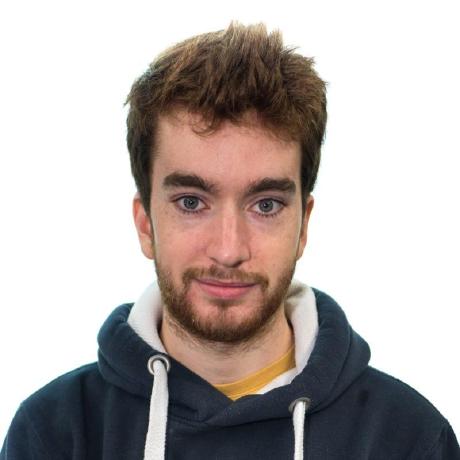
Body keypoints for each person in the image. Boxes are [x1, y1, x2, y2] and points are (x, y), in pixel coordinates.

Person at [1, 22, 458, 460]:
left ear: (303, 226)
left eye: (266, 205)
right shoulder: (54, 436)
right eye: (191, 202)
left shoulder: (410, 440)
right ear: (145, 224)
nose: (228, 249)